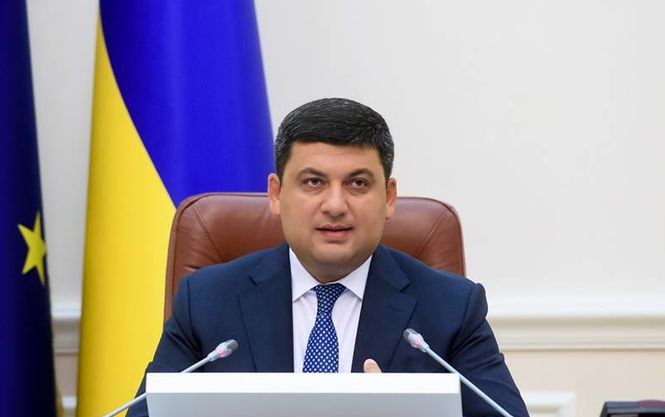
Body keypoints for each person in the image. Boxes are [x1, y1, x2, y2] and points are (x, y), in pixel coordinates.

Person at [127, 98, 529, 417]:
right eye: (313, 182)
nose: (335, 205)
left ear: (389, 197)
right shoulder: (207, 302)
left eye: (358, 184)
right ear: (276, 194)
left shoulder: (451, 309)